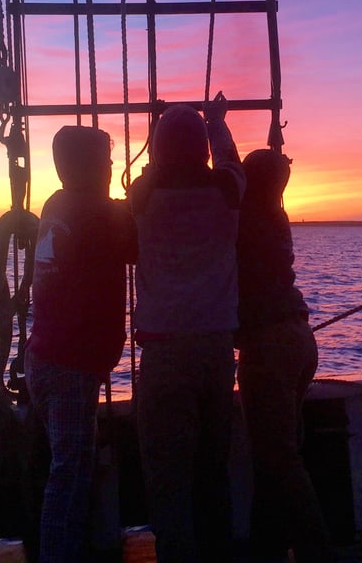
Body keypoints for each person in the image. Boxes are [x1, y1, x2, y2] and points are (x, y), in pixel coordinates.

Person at [130, 92, 245, 563]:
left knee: (168, 476)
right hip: (216, 348)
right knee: (212, 468)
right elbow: (232, 162)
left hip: (164, 351)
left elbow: (150, 171)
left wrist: (157, 124)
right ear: (202, 149)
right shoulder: (227, 192)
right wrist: (216, 121)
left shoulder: (144, 196)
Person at [25, 125, 137, 563]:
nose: (111, 168)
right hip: (71, 365)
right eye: (106, 162)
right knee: (69, 476)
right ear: (90, 166)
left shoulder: (57, 203)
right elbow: (139, 246)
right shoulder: (97, 212)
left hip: (45, 356)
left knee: (64, 468)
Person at [235, 149, 334, 563]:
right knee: (274, 452)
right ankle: (267, 547)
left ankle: (317, 553)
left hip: (268, 346)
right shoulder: (273, 216)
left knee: (279, 457)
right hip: (296, 339)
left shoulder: (244, 217)